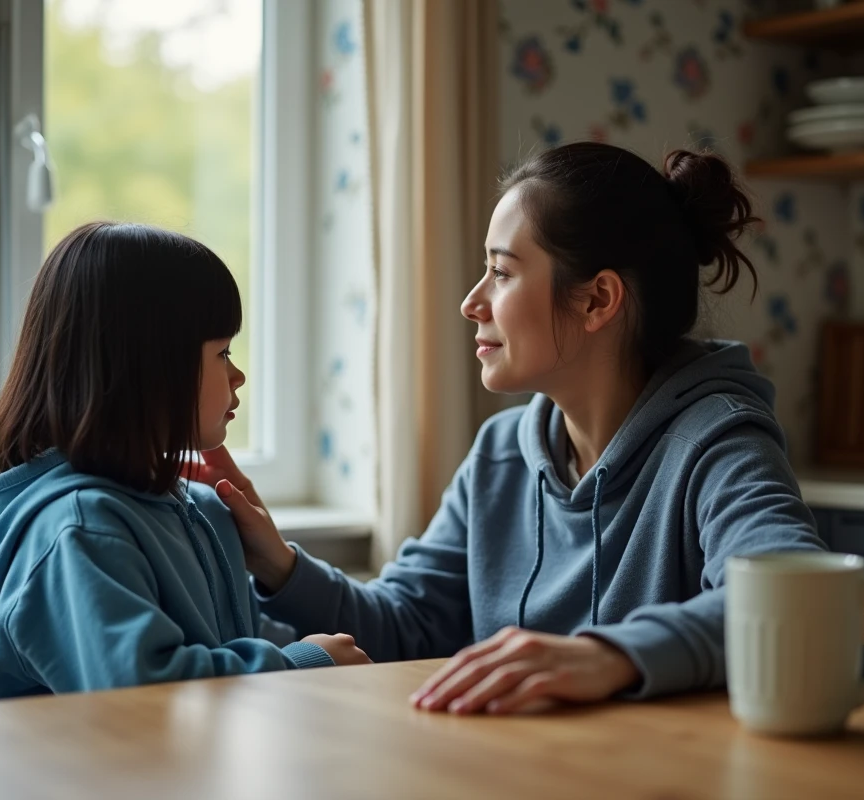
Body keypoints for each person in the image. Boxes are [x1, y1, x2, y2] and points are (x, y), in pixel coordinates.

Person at [193, 143, 827, 714]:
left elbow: (795, 599)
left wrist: (609, 656)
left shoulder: (717, 440)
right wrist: (276, 561)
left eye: (501, 272)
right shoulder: (501, 453)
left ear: (597, 300)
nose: (472, 302)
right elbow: (408, 623)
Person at [0, 221, 369, 700]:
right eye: (223, 353)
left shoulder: (202, 509)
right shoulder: (78, 530)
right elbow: (144, 698)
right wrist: (301, 665)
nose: (238, 375)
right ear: (149, 366)